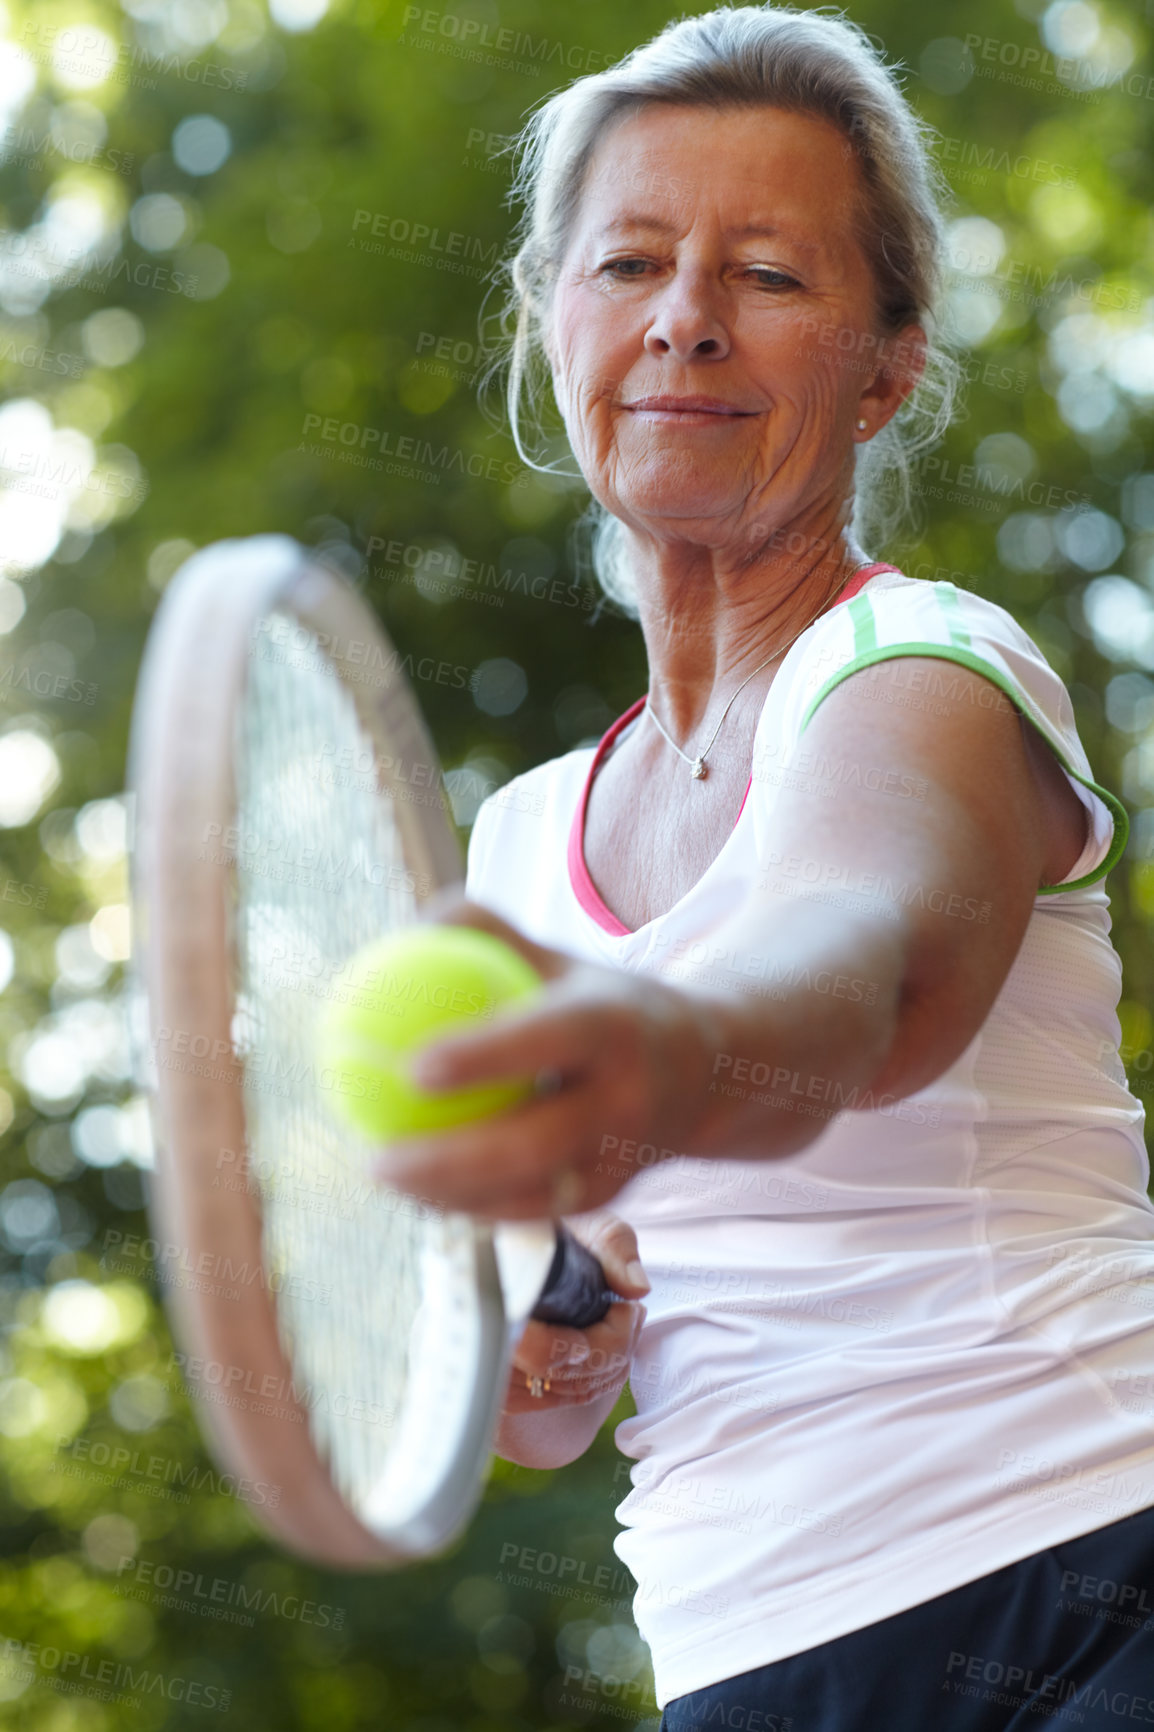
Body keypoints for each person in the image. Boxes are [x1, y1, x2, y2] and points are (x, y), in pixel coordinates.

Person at [373, 6, 1154, 1727]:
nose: (685, 321)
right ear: (550, 319)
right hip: (741, 1655)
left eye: (772, 278)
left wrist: (635, 1052)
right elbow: (543, 1415)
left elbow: (854, 971)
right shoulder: (513, 850)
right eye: (630, 260)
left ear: (887, 366)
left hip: (1089, 1576)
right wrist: (548, 1332)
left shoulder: (928, 671)